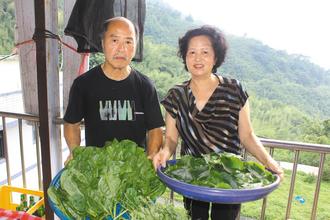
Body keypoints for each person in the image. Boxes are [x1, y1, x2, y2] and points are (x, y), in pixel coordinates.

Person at [152, 25, 284, 220]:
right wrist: (164, 152)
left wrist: (268, 161)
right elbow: (171, 138)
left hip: (230, 177)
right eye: (192, 52)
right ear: (185, 57)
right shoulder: (176, 95)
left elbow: (247, 135)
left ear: (215, 57)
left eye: (205, 52)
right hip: (193, 176)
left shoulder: (234, 89)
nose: (198, 58)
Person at [64, 17, 164, 163]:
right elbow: (72, 124)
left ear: (135, 46)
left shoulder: (145, 86)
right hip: (97, 168)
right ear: (102, 42)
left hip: (133, 170)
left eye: (128, 42)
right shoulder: (83, 84)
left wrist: (151, 155)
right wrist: (75, 152)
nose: (121, 49)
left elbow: (155, 129)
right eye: (115, 40)